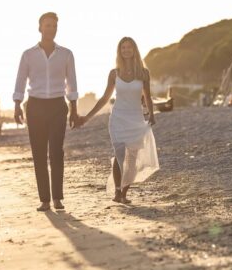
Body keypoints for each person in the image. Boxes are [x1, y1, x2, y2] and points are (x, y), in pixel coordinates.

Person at [79, 37, 159, 204]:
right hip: (118, 118)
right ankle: (117, 192)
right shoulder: (114, 73)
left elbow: (148, 97)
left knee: (132, 158)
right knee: (119, 154)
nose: (126, 50)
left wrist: (151, 114)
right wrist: (88, 116)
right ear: (119, 51)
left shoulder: (143, 73)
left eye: (129, 47)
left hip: (136, 118)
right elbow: (104, 98)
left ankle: (124, 192)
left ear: (134, 50)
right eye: (123, 48)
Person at [13, 12, 79, 212]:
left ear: (56, 29)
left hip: (58, 106)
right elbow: (20, 80)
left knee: (56, 152)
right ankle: (44, 200)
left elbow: (72, 82)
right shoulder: (28, 54)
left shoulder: (66, 54)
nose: (51, 28)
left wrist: (74, 108)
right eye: (47, 25)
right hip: (35, 106)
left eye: (54, 26)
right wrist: (17, 104)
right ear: (40, 28)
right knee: (39, 154)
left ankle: (57, 198)